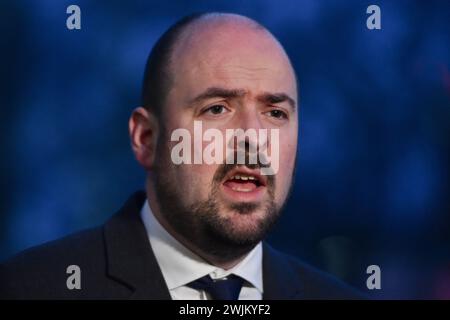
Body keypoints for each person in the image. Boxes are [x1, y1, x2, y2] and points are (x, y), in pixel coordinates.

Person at [0, 12, 361, 300]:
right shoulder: (30, 288)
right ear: (146, 139)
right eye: (217, 109)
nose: (253, 138)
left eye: (276, 113)